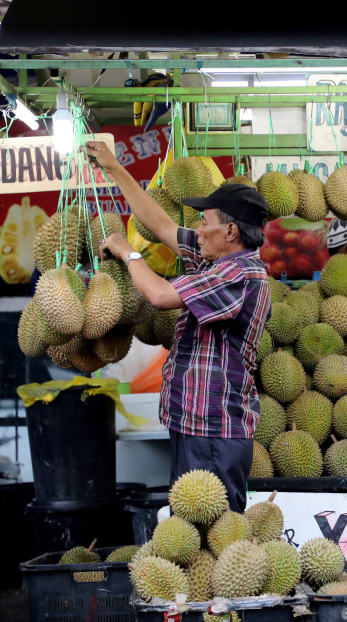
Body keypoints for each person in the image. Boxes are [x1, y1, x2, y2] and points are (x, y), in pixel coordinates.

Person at [84, 141, 271, 513]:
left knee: (216, 538)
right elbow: (161, 225)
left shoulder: (240, 273)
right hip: (195, 423)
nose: (198, 229)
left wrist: (127, 251)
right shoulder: (213, 262)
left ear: (230, 232)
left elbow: (160, 296)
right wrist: (115, 168)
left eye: (205, 222)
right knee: (190, 533)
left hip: (214, 429)